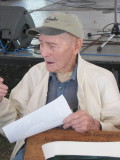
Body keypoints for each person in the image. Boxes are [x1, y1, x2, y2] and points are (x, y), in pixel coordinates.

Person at [0, 12, 120, 160]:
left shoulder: (102, 78)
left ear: (76, 46)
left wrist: (96, 125)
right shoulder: (35, 74)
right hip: (37, 147)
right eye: (41, 44)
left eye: (52, 45)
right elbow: (13, 126)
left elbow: (117, 127)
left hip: (84, 151)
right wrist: (0, 103)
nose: (43, 52)